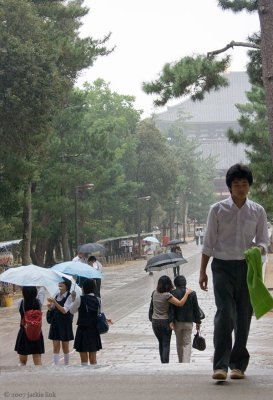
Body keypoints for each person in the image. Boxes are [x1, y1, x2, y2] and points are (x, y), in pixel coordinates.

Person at [199, 163, 269, 381]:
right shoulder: (217, 209)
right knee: (225, 314)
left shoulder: (257, 211)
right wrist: (202, 271)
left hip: (247, 267)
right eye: (236, 183)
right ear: (229, 186)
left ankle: (238, 364)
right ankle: (220, 365)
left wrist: (259, 248)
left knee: (243, 317)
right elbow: (208, 243)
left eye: (244, 183)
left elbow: (264, 242)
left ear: (249, 186)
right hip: (221, 266)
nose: (240, 187)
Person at [149, 275, 192, 363]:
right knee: (165, 344)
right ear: (168, 284)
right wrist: (187, 293)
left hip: (155, 322)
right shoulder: (167, 295)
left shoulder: (154, 293)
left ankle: (162, 362)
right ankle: (165, 364)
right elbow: (180, 303)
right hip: (165, 322)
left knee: (161, 343)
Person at [169, 275, 202, 363]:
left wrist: (171, 321)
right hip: (189, 322)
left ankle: (180, 361)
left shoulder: (172, 293)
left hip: (177, 322)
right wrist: (198, 322)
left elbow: (171, 309)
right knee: (187, 343)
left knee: (179, 343)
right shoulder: (192, 293)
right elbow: (196, 309)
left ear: (175, 283)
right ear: (185, 283)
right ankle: (186, 362)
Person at [70, 279, 103, 366]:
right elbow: (100, 313)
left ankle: (84, 372)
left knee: (83, 355)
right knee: (93, 358)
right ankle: (93, 374)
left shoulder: (79, 299)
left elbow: (72, 311)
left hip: (82, 329)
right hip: (94, 329)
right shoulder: (98, 299)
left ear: (84, 287)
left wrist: (73, 300)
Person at [14, 286, 45, 366]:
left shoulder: (21, 302)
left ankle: (23, 377)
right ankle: (39, 376)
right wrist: (40, 286)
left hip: (24, 331)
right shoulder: (39, 302)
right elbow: (42, 292)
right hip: (36, 332)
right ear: (35, 292)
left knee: (22, 361)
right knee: (37, 360)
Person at [47, 278, 74, 366]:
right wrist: (50, 307)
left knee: (65, 346)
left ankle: (66, 365)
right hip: (55, 322)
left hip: (65, 323)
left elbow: (64, 310)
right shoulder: (56, 295)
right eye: (59, 283)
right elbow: (54, 308)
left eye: (62, 283)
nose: (59, 285)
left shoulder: (70, 296)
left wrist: (54, 302)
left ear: (67, 285)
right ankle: (56, 365)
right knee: (55, 345)